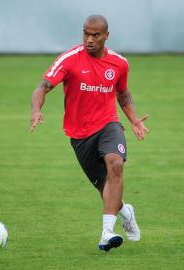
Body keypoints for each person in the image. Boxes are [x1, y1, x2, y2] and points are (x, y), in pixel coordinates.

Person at [30, 14, 149, 252]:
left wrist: (133, 119)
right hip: (79, 135)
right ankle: (125, 212)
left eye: (95, 35)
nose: (89, 39)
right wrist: (36, 110)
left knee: (116, 164)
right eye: (86, 33)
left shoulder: (119, 63)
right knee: (105, 188)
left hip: (108, 125)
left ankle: (107, 234)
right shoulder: (69, 59)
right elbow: (42, 87)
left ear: (106, 36)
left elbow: (123, 93)